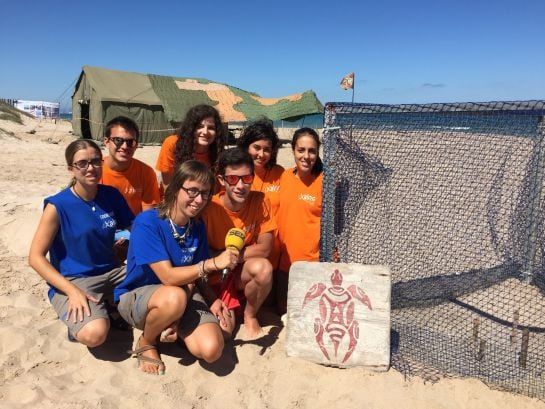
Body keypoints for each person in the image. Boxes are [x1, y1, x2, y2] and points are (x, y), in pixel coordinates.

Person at [114, 161, 238, 375]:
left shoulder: (196, 225)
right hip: (140, 296)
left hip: (184, 293)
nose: (198, 199)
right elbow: (168, 276)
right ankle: (146, 341)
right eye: (192, 191)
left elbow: (197, 277)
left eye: (205, 193)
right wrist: (215, 263)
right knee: (174, 298)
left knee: (213, 348)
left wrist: (212, 299)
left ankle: (174, 326)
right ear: (175, 187)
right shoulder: (148, 222)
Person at [28, 139, 134, 347]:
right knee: (95, 334)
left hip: (113, 271)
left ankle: (109, 304)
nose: (91, 168)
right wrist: (71, 291)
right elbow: (35, 257)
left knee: (157, 286)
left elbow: (134, 229)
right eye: (82, 163)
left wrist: (128, 246)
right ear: (71, 169)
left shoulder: (110, 195)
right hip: (75, 279)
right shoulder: (58, 205)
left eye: (95, 161)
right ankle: (83, 320)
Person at [201, 148, 275, 339]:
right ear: (221, 180)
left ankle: (250, 315)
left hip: (240, 271)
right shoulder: (210, 208)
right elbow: (199, 253)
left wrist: (234, 257)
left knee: (264, 269)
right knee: (224, 334)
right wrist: (221, 259)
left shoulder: (260, 201)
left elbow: (265, 248)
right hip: (215, 276)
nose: (241, 185)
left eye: (247, 178)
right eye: (233, 179)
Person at [276, 128, 323, 315]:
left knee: (307, 315)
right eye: (301, 150)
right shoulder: (285, 176)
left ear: (318, 151)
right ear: (293, 150)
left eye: (311, 151)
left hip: (312, 265)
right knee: (283, 311)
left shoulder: (325, 181)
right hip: (284, 264)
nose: (306, 156)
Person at [237, 118, 284, 269]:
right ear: (246, 147)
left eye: (267, 149)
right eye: (256, 147)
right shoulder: (235, 176)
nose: (261, 154)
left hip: (277, 253)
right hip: (249, 255)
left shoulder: (279, 173)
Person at [101, 116, 160, 216]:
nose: (124, 146)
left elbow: (148, 215)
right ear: (107, 142)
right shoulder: (94, 170)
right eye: (118, 140)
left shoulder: (146, 173)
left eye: (130, 142)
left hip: (134, 227)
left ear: (136, 145)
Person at [155, 104, 226, 187]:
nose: (205, 132)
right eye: (199, 126)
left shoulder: (218, 152)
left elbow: (215, 188)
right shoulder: (172, 143)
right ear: (191, 128)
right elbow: (168, 184)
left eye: (211, 128)